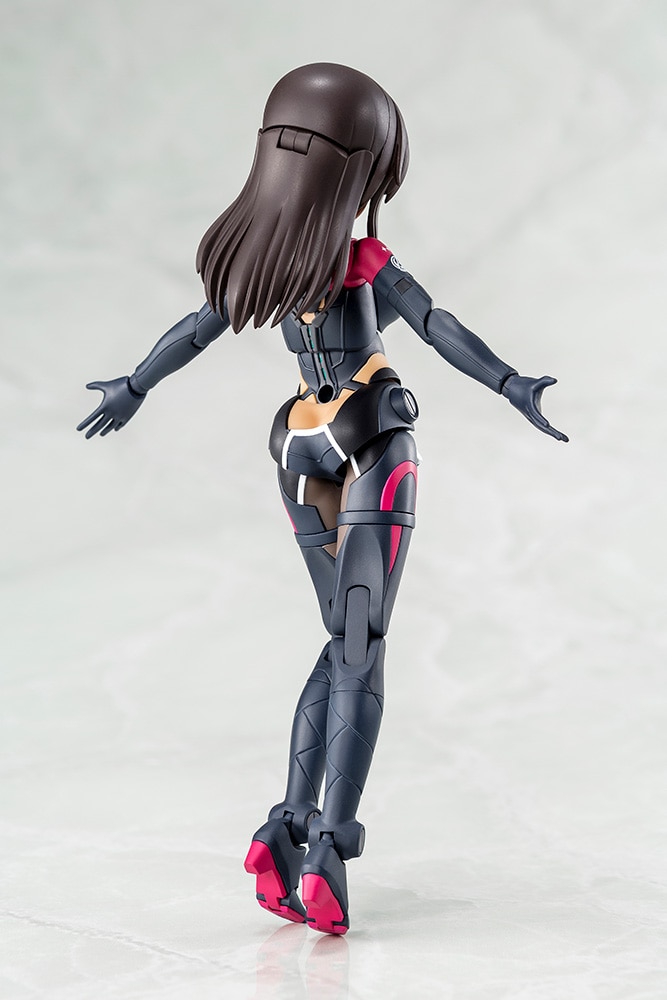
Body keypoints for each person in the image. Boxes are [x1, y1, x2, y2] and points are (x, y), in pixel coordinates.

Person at [78, 63, 567, 935]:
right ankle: (328, 850)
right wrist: (508, 382)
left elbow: (195, 329)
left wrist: (134, 385)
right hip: (370, 432)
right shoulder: (357, 258)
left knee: (343, 641)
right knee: (360, 648)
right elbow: (434, 323)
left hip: (299, 442)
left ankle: (286, 826)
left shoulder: (262, 260)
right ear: (357, 168)